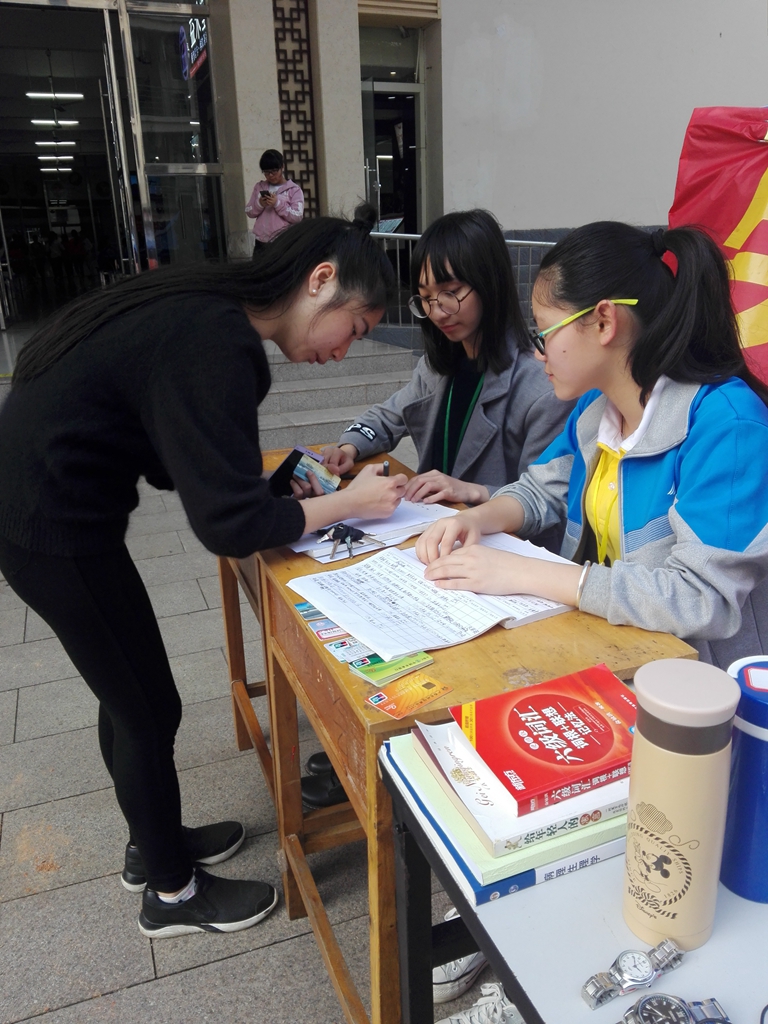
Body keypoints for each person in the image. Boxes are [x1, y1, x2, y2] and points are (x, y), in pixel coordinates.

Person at [0, 208, 407, 939]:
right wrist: (349, 503)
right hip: (50, 527)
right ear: (321, 281)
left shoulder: (204, 307)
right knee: (147, 709)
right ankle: (171, 892)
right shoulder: (218, 338)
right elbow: (228, 528)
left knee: (131, 693)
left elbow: (182, 461)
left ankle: (152, 841)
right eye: (355, 327)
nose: (345, 351)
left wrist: (271, 492)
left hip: (45, 508)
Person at [416, 221, 768, 669]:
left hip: (701, 684)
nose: (539, 352)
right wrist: (476, 519)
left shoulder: (728, 426)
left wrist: (525, 572)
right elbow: (542, 490)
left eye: (545, 332)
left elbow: (700, 598)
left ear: (604, 321)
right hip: (610, 653)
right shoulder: (595, 409)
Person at [323, 209, 573, 508]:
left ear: (489, 283)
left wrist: (470, 490)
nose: (437, 312)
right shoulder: (437, 367)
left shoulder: (541, 387)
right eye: (426, 297)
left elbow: (545, 500)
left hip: (486, 533)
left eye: (450, 293)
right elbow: (386, 418)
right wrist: (348, 448)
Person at [245, 148, 304, 256]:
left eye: (274, 171)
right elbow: (249, 211)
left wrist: (277, 204)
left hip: (283, 241)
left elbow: (297, 216)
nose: (270, 175)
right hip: (261, 242)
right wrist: (259, 204)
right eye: (266, 172)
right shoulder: (260, 187)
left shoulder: (293, 190)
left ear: (282, 167)